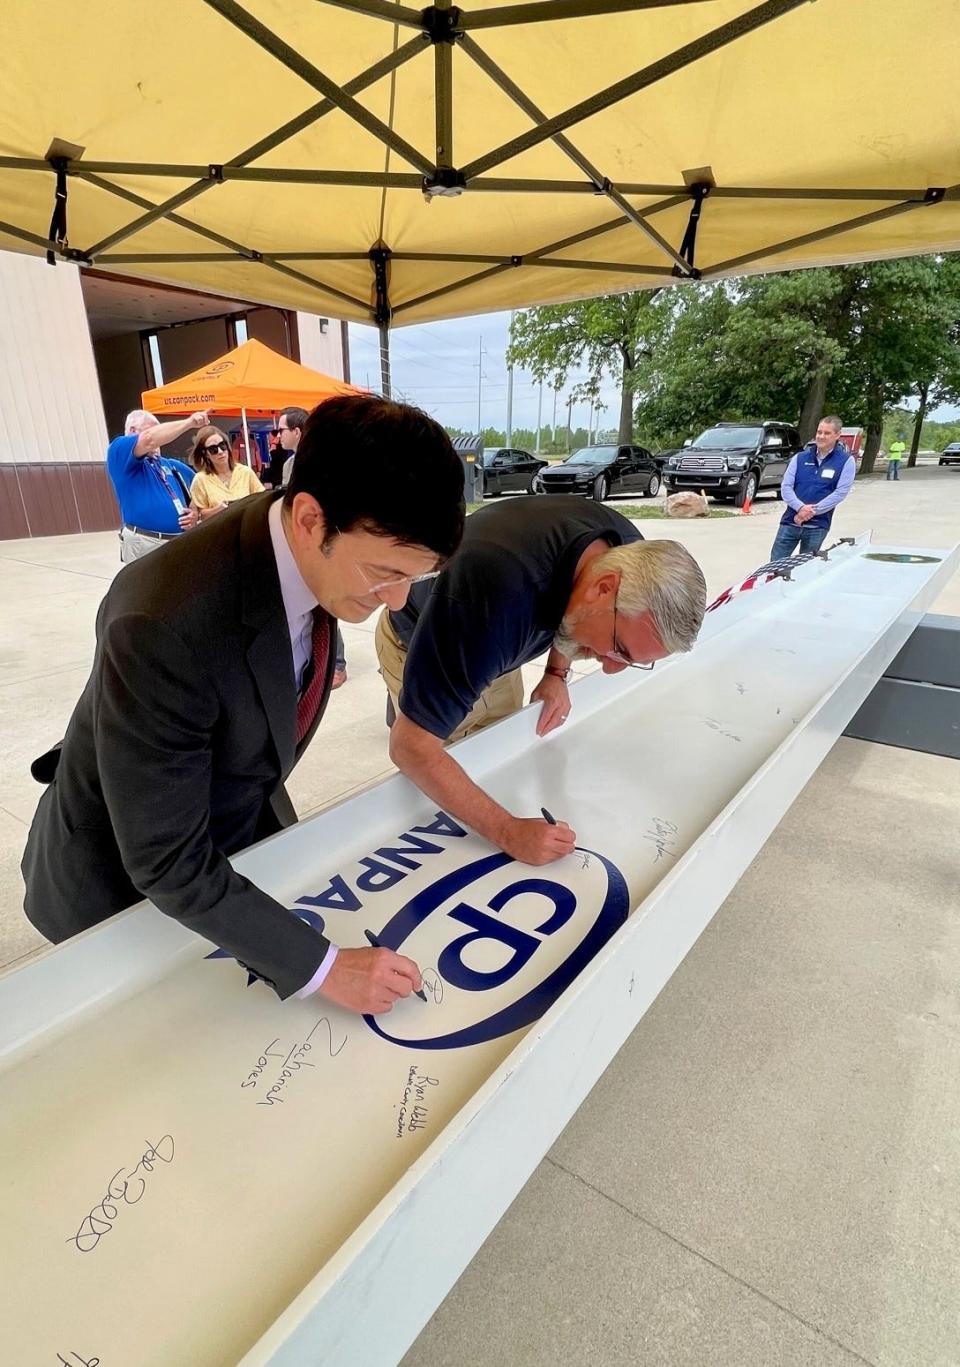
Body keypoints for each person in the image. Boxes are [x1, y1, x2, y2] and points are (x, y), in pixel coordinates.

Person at [21, 395, 465, 1016]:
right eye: (383, 574)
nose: (395, 603)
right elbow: (166, 858)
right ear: (311, 520)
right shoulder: (164, 620)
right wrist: (324, 967)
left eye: (411, 580)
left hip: (224, 832)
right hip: (119, 890)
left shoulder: (303, 543)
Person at [376, 496, 706, 866]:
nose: (611, 670)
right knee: (451, 766)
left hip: (490, 637)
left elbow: (576, 602)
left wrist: (556, 673)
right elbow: (410, 747)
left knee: (500, 753)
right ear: (604, 588)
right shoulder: (491, 599)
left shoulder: (626, 553)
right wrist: (508, 831)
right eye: (619, 650)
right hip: (421, 632)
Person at [280, 404, 348, 686]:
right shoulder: (288, 465)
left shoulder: (326, 461)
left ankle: (337, 664)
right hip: (298, 547)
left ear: (297, 431)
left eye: (281, 430)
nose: (277, 436)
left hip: (326, 544)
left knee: (326, 601)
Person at [107, 409, 207, 562]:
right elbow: (149, 439)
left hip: (178, 541)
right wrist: (189, 423)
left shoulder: (170, 465)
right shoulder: (119, 451)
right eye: (154, 429)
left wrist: (195, 512)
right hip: (145, 541)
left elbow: (203, 485)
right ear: (133, 431)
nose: (160, 436)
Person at [770, 416, 856, 559]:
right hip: (790, 522)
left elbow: (840, 493)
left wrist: (811, 512)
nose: (821, 436)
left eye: (827, 433)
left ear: (838, 435)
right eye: (819, 432)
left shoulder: (846, 461)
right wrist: (800, 508)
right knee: (774, 567)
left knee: (805, 569)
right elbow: (786, 487)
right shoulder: (800, 458)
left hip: (817, 526)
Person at [189, 424, 264, 520]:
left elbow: (262, 499)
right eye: (213, 449)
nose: (220, 451)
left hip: (247, 529)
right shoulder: (200, 479)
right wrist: (219, 509)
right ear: (205, 453)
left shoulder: (245, 472)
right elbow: (200, 515)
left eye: (222, 445)